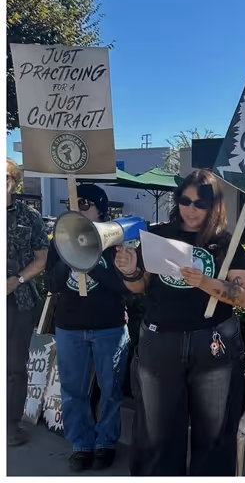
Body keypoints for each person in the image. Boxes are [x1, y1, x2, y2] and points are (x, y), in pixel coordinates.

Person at [114, 169, 245, 475]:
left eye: (200, 202)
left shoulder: (227, 243)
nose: (191, 208)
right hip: (160, 341)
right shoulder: (159, 235)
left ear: (214, 205)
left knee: (214, 435)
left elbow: (243, 296)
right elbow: (140, 286)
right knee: (157, 432)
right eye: (184, 200)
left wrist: (204, 281)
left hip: (212, 345)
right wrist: (129, 270)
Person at [44, 184, 131, 470]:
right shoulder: (59, 239)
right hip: (70, 327)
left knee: (110, 390)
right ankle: (81, 444)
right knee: (73, 390)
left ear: (100, 209)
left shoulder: (115, 240)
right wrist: (70, 253)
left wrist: (90, 259)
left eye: (83, 203)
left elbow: (125, 286)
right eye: (71, 202)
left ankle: (105, 442)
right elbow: (51, 284)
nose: (75, 207)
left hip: (109, 327)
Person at [6, 158, 47, 447]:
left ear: (15, 182)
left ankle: (10, 425)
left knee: (14, 367)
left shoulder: (29, 217)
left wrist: (16, 280)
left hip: (17, 300)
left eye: (6, 177)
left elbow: (41, 259)